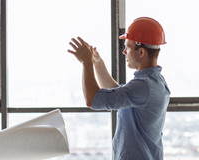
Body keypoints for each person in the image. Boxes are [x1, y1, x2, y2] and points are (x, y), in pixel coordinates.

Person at [68, 17, 170, 160]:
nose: (124, 52)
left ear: (141, 52)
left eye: (127, 47)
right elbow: (115, 91)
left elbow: (92, 100)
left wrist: (86, 63)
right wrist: (97, 63)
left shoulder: (143, 86)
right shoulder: (153, 81)